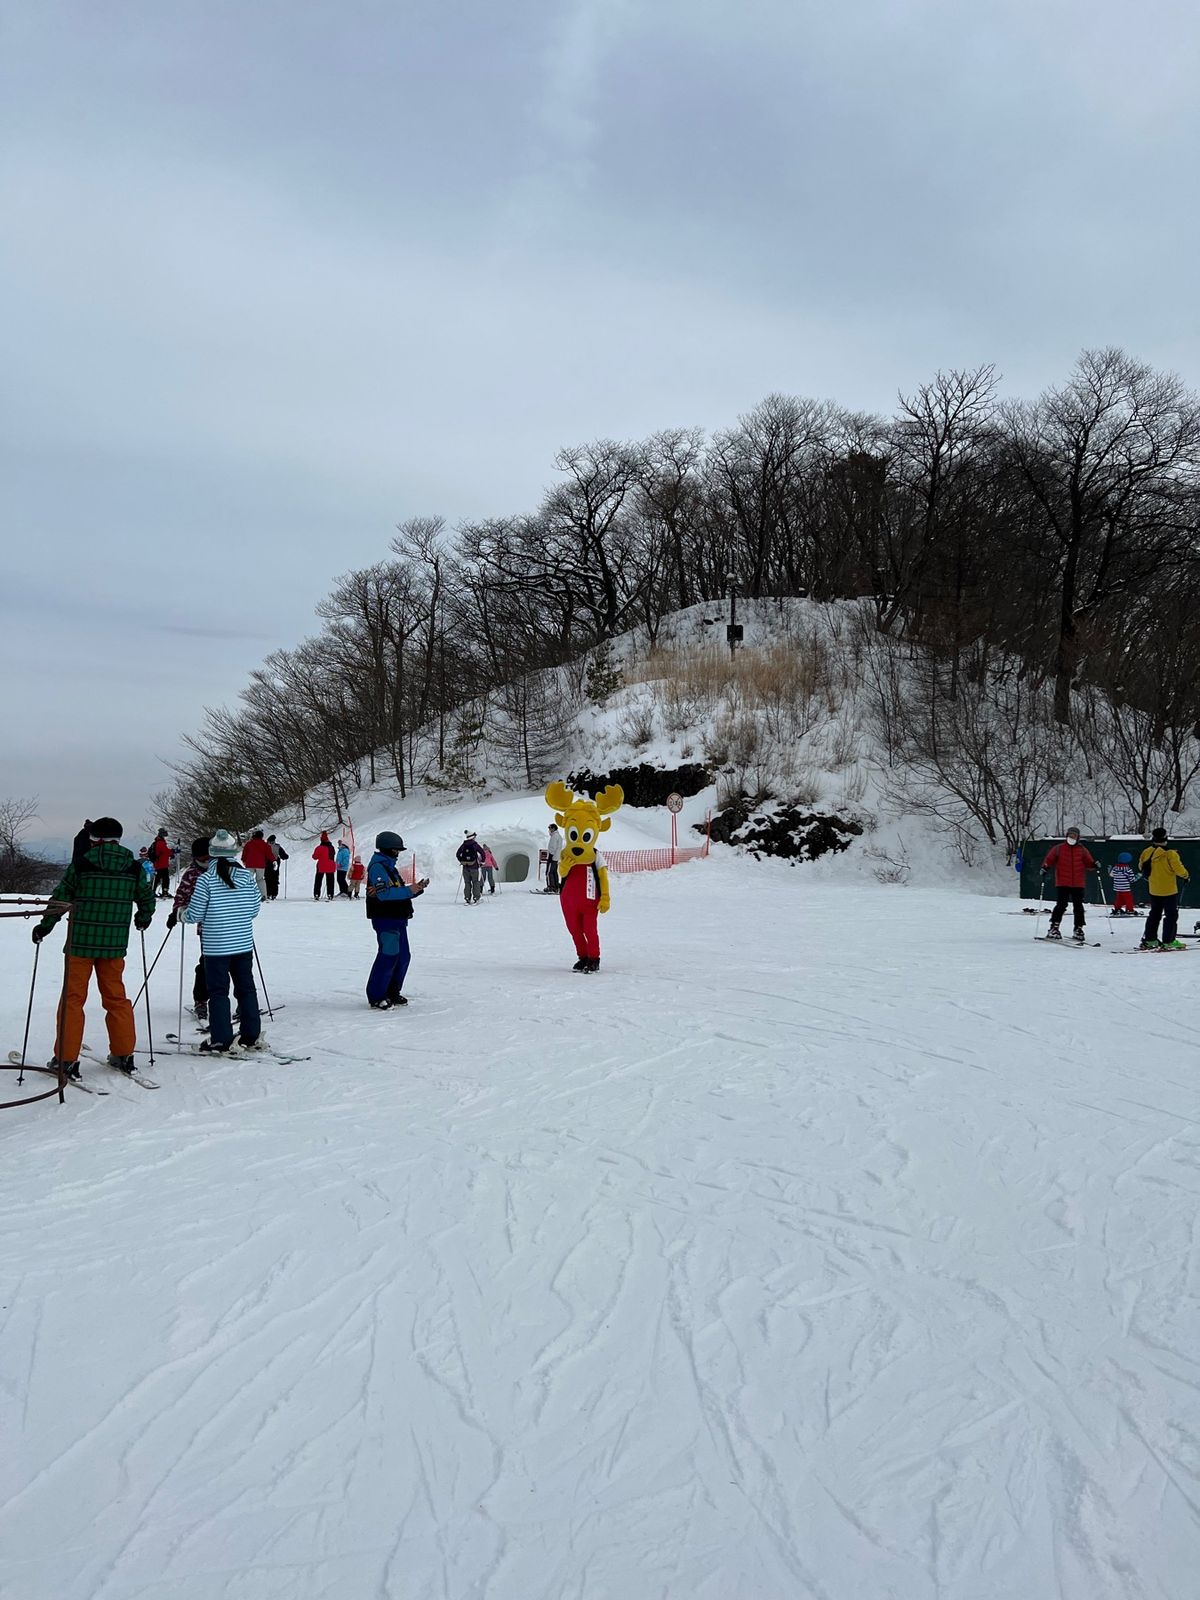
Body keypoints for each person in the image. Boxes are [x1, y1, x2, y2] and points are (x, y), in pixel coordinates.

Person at [31, 817, 156, 1078]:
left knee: (73, 999)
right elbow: (146, 897)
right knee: (116, 998)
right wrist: (142, 919)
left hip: (80, 943)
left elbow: (61, 897)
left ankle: (65, 1059)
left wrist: (45, 926)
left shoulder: (83, 863)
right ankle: (123, 1053)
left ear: (95, 839)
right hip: (114, 945)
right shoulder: (133, 867)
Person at [183, 829, 264, 1053]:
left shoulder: (206, 879)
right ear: (234, 852)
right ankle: (251, 1034)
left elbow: (195, 914)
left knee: (218, 992)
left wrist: (182, 913)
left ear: (211, 853)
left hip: (216, 947)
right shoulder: (247, 877)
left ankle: (221, 1039)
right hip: (243, 944)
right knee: (246, 989)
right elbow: (254, 909)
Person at [365, 831, 429, 1009]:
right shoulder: (378, 867)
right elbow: (384, 894)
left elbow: (399, 892)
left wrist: (417, 889)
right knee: (388, 956)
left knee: (403, 957)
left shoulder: (390, 867)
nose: (398, 853)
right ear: (388, 849)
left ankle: (392, 991)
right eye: (396, 850)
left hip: (398, 918)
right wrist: (410, 890)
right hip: (385, 919)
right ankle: (377, 995)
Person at [167, 837, 211, 1026]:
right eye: (202, 857)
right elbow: (181, 896)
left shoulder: (226, 869)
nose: (206, 860)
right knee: (207, 964)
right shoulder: (192, 873)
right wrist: (176, 912)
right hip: (207, 928)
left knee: (236, 965)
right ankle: (201, 1000)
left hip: (233, 927)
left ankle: (242, 1003)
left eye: (208, 856)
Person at [1138, 827, 1190, 951]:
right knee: (1171, 915)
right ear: (1165, 838)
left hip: (1154, 889)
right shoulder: (1170, 853)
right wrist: (1186, 875)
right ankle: (1169, 940)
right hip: (1169, 890)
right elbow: (1179, 869)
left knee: (1154, 914)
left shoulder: (1147, 852)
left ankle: (1150, 939)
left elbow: (1140, 866)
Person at [1041, 826, 1096, 942]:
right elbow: (1049, 859)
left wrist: (1094, 865)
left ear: (1078, 837)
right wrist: (1045, 867)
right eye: (1070, 835)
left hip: (1078, 883)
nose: (1072, 837)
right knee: (1061, 905)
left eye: (1074, 836)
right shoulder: (1059, 849)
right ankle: (1054, 927)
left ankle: (1078, 928)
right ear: (1066, 836)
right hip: (1063, 882)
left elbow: (1089, 863)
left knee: (1078, 907)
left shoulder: (1082, 850)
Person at [241, 828, 273, 900]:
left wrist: (243, 860)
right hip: (260, 865)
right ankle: (263, 895)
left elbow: (244, 853)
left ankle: (247, 895)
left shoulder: (249, 844)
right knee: (260, 879)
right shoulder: (265, 845)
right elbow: (269, 854)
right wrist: (273, 860)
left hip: (250, 864)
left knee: (248, 879)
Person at [456, 831, 485, 904]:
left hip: (465, 867)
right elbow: (482, 852)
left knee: (467, 883)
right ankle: (476, 898)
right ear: (473, 837)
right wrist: (482, 861)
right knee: (475, 882)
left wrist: (462, 861)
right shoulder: (475, 844)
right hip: (474, 866)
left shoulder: (464, 844)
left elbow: (458, 854)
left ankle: (467, 899)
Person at [150, 827, 174, 898]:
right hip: (162, 864)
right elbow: (165, 852)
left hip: (159, 864)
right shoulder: (160, 843)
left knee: (157, 879)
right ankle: (164, 892)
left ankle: (153, 892)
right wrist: (173, 852)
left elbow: (163, 853)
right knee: (165, 879)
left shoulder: (157, 842)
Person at [312, 831, 336, 899]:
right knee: (330, 881)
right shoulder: (331, 847)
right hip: (330, 866)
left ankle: (317, 894)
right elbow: (333, 854)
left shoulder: (319, 848)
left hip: (321, 866)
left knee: (318, 880)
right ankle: (330, 894)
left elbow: (314, 857)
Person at [265, 835, 288, 900]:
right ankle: (274, 894)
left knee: (267, 878)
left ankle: (268, 893)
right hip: (276, 863)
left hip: (267, 863)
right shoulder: (277, 846)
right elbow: (283, 855)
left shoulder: (265, 846)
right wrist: (285, 857)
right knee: (275, 878)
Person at [546, 823, 563, 893]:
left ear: (553, 828)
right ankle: (556, 886)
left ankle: (551, 887)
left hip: (552, 857)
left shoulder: (554, 836)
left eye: (550, 828)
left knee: (549, 872)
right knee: (554, 872)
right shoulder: (559, 836)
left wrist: (550, 855)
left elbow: (552, 847)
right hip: (556, 857)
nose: (549, 830)